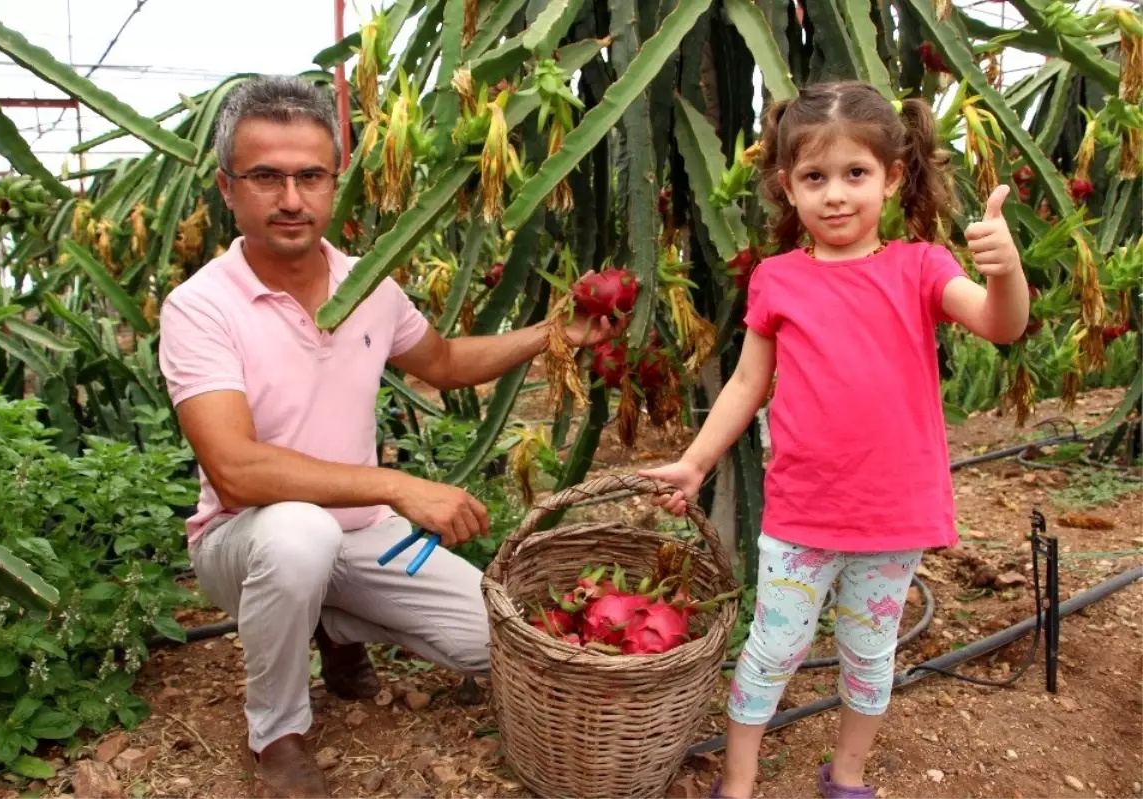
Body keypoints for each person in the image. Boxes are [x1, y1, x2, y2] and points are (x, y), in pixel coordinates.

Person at [157, 74, 621, 798]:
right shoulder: (201, 307)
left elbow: (442, 362)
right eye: (266, 177)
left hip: (361, 534)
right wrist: (399, 484)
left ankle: (332, 626)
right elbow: (238, 471)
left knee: (489, 639)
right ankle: (276, 731)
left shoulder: (366, 282)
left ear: (334, 182)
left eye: (311, 176)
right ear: (227, 187)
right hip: (245, 540)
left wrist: (553, 333)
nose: (291, 198)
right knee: (297, 539)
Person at [638, 81, 1028, 799]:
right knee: (772, 650)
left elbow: (1000, 324)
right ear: (788, 187)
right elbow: (747, 383)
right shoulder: (777, 278)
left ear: (893, 177)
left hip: (891, 515)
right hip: (802, 513)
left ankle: (846, 776)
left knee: (869, 656)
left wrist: (1005, 272)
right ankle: (739, 778)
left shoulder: (921, 268)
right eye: (815, 177)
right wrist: (695, 463)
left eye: (856, 174)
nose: (836, 194)